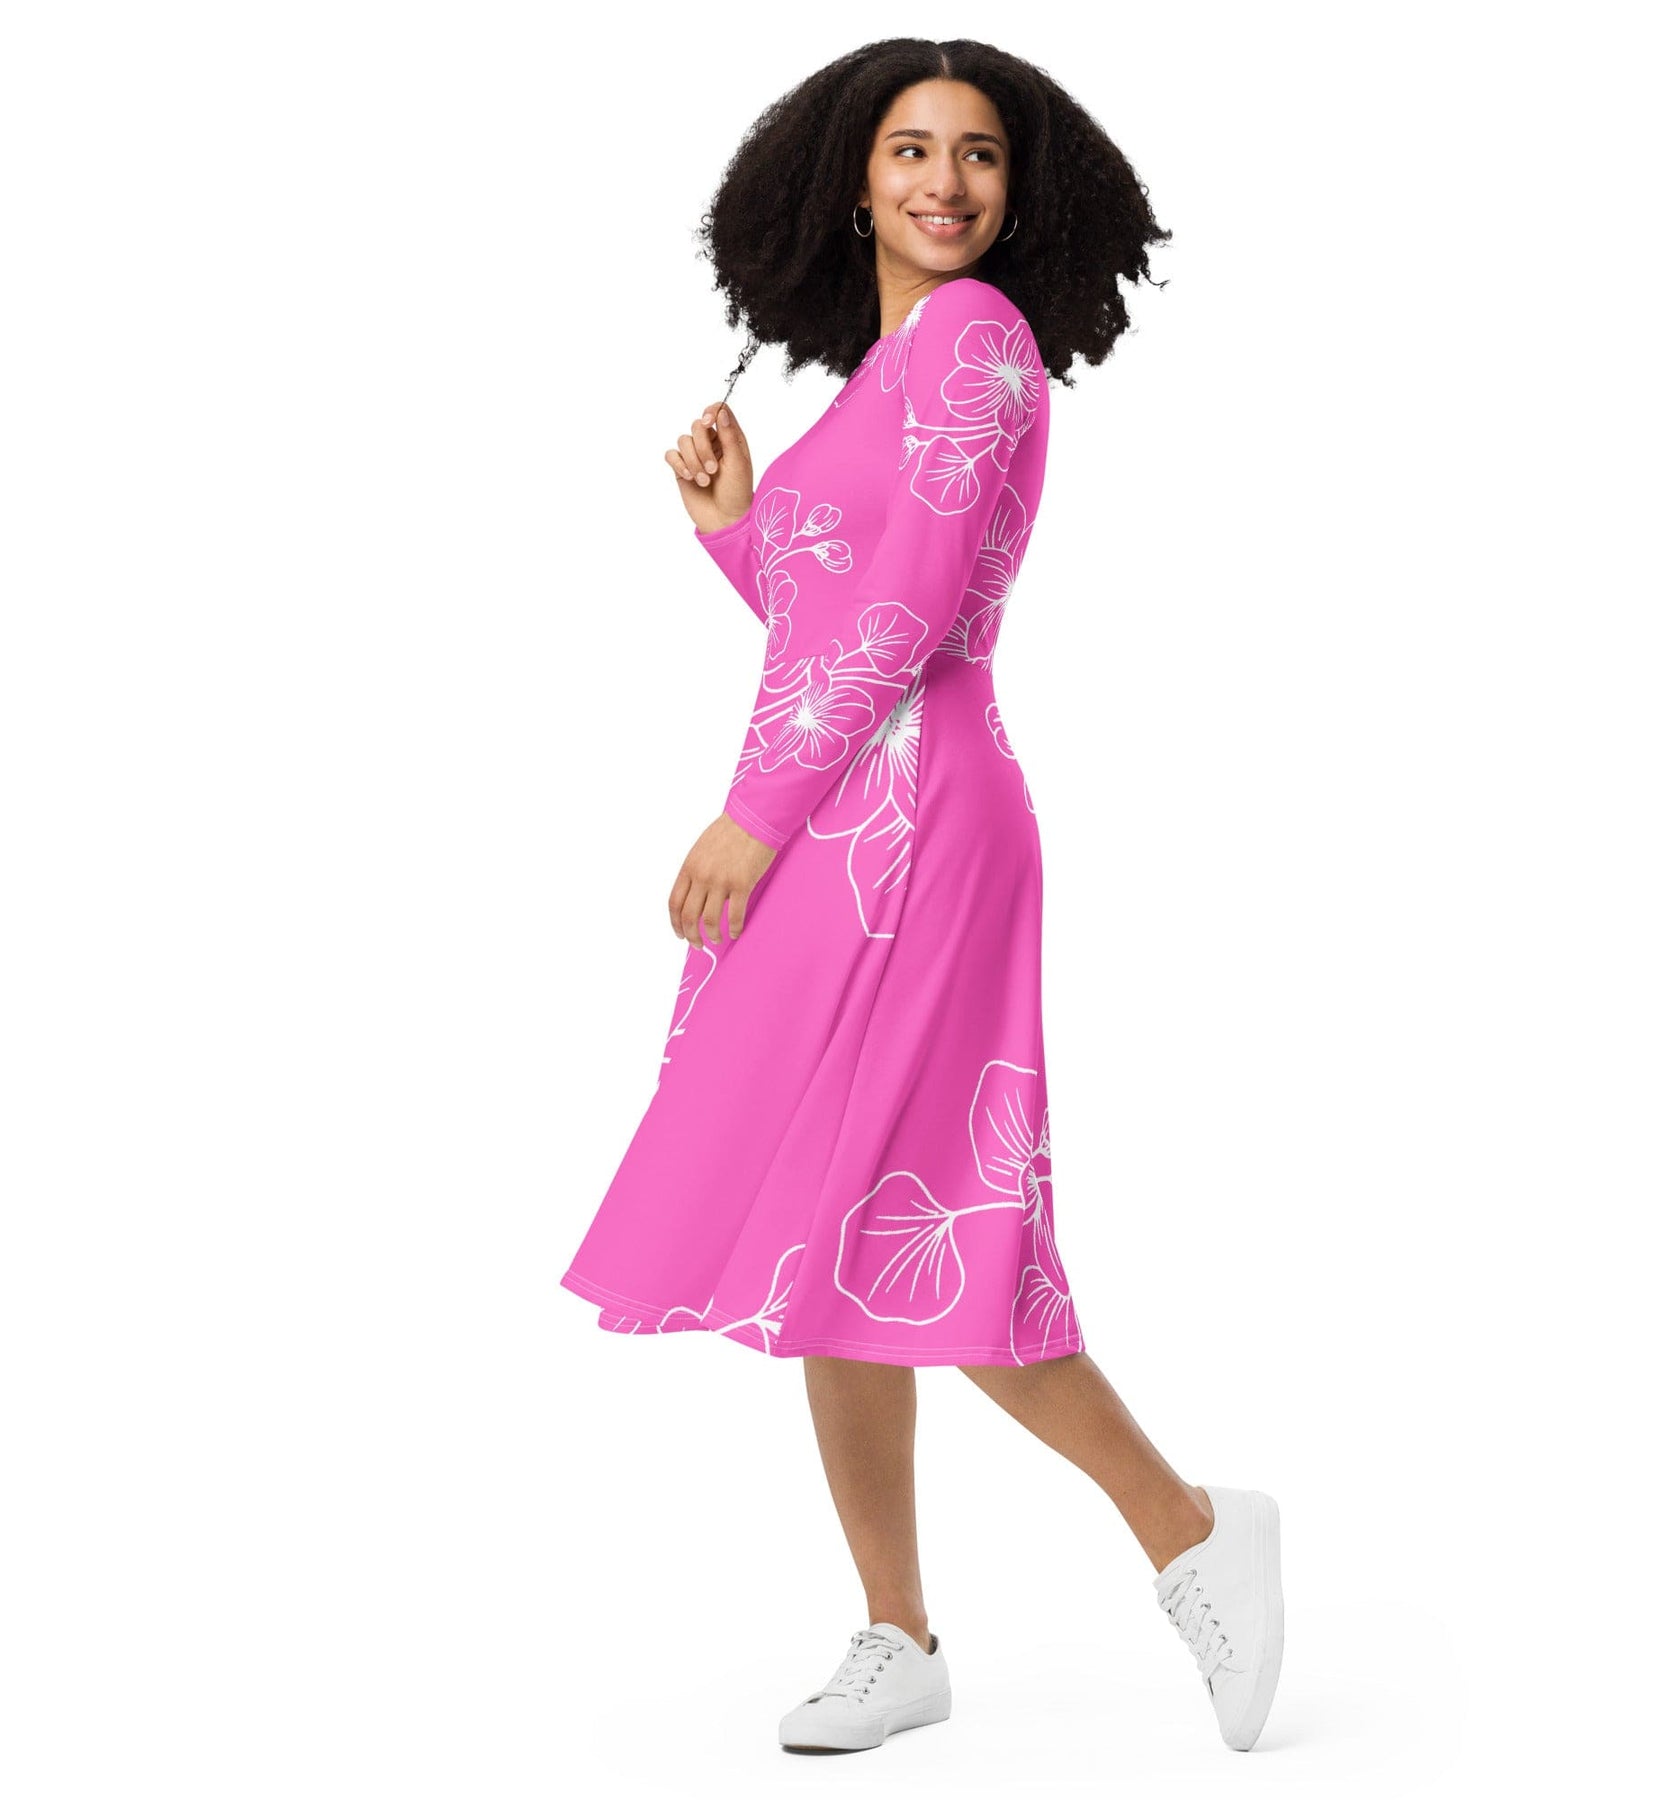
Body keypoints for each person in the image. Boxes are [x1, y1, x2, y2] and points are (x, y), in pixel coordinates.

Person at [560, 37, 1284, 1756]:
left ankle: (1193, 1529)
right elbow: (834, 614)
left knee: (913, 1216)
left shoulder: (972, 341)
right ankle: (899, 1636)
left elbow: (910, 624)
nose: (943, 182)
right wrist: (734, 530)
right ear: (853, 180)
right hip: (844, 812)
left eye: (976, 154)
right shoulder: (884, 373)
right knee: (828, 1238)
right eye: (909, 149)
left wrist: (752, 816)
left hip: (918, 821)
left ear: (1018, 191)